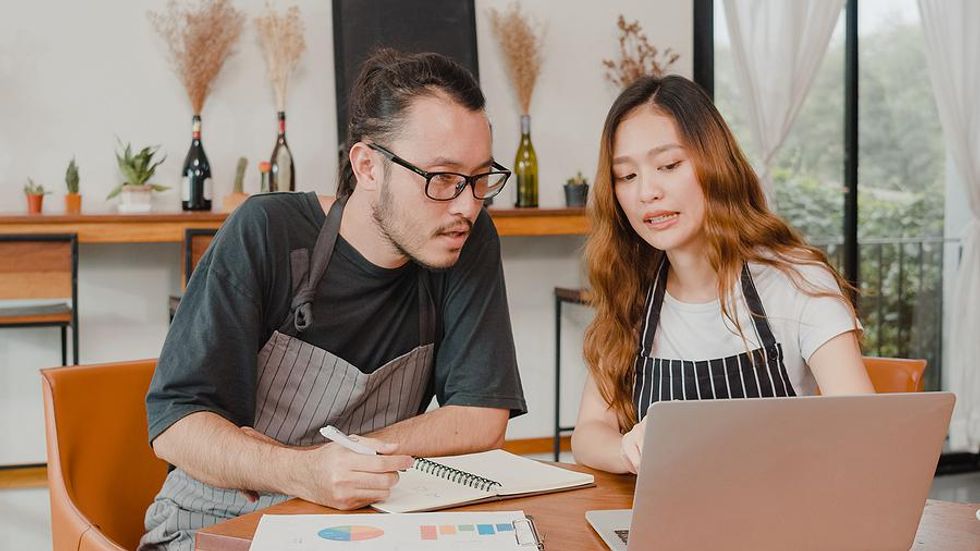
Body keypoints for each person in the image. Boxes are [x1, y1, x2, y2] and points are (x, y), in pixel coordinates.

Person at [139, 49, 526, 550]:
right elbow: (176, 424)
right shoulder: (266, 233)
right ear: (368, 166)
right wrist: (301, 471)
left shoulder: (465, 238)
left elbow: (480, 417)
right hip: (215, 522)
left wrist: (348, 462)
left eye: (479, 180)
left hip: (358, 526)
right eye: (442, 179)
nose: (467, 205)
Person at [570, 75, 874, 475]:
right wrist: (629, 449)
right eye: (627, 176)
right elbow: (589, 432)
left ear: (715, 164)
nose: (647, 192)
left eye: (669, 165)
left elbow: (864, 434)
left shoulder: (797, 282)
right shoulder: (635, 290)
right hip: (670, 522)